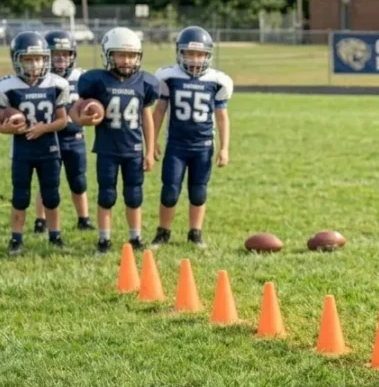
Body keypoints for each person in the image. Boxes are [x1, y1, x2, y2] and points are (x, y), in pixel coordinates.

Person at [71, 27, 159, 254]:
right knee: (106, 194)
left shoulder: (144, 83)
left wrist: (150, 152)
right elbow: (75, 112)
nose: (126, 60)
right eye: (120, 54)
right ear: (108, 55)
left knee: (134, 195)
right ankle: (104, 239)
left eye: (131, 55)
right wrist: (85, 119)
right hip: (107, 149)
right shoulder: (96, 81)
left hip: (133, 150)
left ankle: (135, 237)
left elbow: (147, 119)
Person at [150, 26, 233, 248]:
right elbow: (159, 111)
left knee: (198, 191)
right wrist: (152, 142)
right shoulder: (168, 77)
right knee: (169, 191)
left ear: (208, 55)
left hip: (203, 146)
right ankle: (163, 231)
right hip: (176, 145)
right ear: (180, 53)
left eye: (200, 54)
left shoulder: (217, 80)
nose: (195, 59)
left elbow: (222, 117)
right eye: (189, 53)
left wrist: (224, 148)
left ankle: (195, 232)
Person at [0, 31, 70, 255]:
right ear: (17, 60)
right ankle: (16, 239)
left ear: (45, 59)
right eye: (28, 59)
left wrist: (43, 128)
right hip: (22, 150)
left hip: (49, 149)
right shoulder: (6, 86)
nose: (34, 64)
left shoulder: (57, 84)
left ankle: (55, 235)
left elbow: (63, 120)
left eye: (38, 58)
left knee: (52, 196)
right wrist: (6, 128)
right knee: (20, 196)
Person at [33, 30, 93, 232]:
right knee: (47, 182)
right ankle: (40, 220)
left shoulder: (82, 78)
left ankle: (84, 219)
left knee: (78, 180)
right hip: (49, 138)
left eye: (65, 53)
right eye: (56, 54)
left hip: (74, 138)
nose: (61, 58)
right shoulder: (42, 78)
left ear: (72, 55)